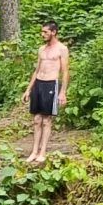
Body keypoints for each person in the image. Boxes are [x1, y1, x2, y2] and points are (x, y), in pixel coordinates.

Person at [23, 22, 70, 166]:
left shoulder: (62, 49)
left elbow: (65, 72)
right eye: (42, 32)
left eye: (45, 32)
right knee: (37, 119)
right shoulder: (41, 49)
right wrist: (28, 89)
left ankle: (43, 151)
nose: (42, 34)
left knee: (46, 120)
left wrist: (62, 92)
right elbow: (36, 70)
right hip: (39, 83)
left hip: (51, 83)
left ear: (54, 32)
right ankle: (34, 151)